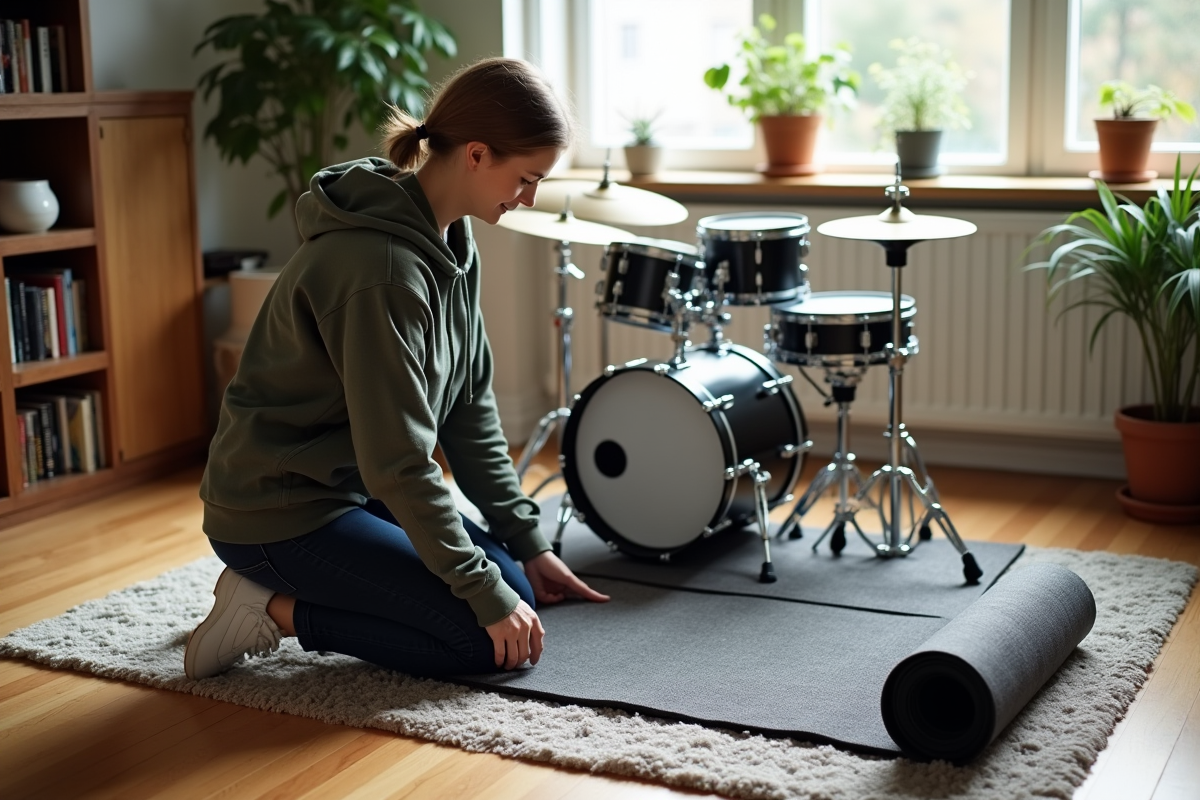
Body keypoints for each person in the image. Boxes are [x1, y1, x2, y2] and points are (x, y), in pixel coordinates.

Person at [186, 57, 608, 682]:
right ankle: (271, 609)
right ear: (475, 155)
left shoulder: (453, 244)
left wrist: (529, 541)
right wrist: (480, 595)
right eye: (526, 178)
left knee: (513, 584)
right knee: (479, 640)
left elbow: (470, 411)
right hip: (278, 512)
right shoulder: (380, 269)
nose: (529, 199)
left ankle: (318, 589)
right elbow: (400, 462)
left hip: (350, 492)